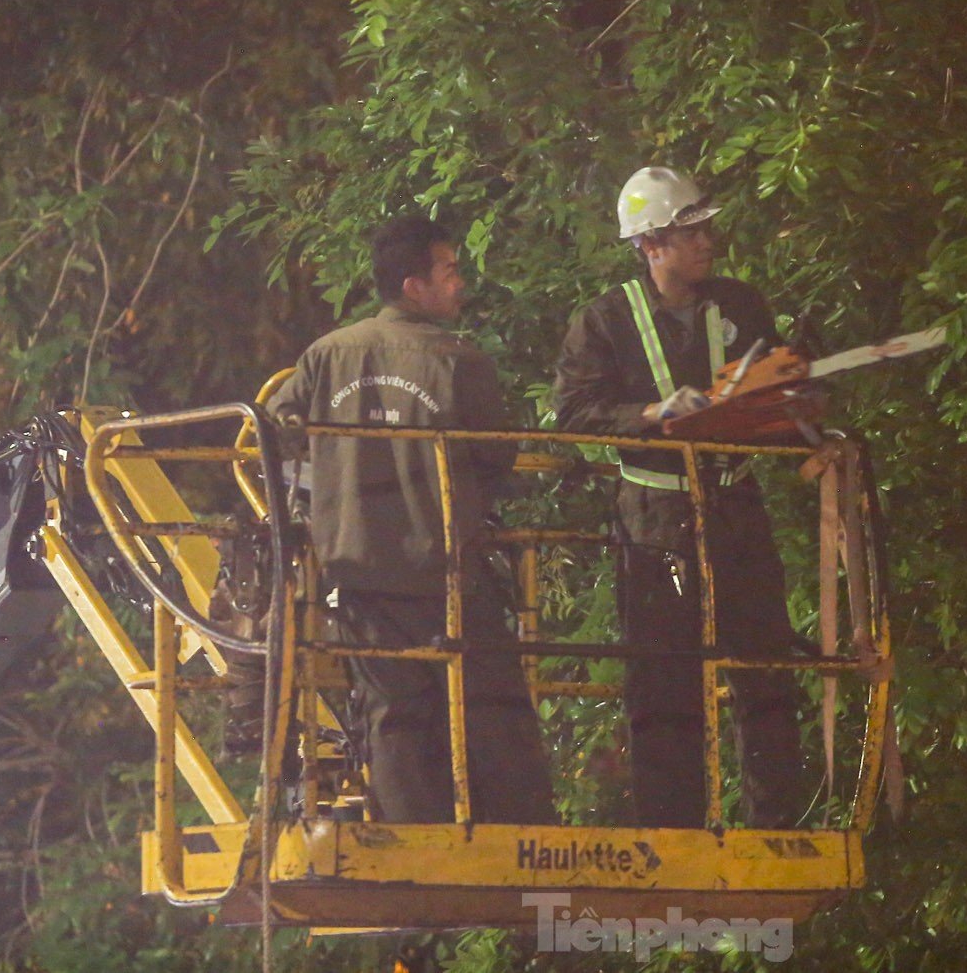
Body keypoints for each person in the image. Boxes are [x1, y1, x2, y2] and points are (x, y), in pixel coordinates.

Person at [266, 215, 554, 824]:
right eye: (449, 271)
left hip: (359, 573)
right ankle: (519, 837)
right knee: (492, 703)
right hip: (444, 567)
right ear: (413, 285)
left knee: (392, 712)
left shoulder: (325, 356)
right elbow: (495, 455)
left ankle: (411, 846)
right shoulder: (457, 361)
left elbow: (271, 433)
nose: (460, 283)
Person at [552, 167, 806, 829]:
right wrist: (651, 412)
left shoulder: (741, 304)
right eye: (690, 232)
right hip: (658, 522)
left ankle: (775, 828)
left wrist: (797, 405)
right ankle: (672, 832)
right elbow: (575, 413)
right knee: (665, 674)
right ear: (649, 244)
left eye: (706, 228)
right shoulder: (604, 321)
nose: (707, 241)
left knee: (765, 665)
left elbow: (781, 384)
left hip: (736, 507)